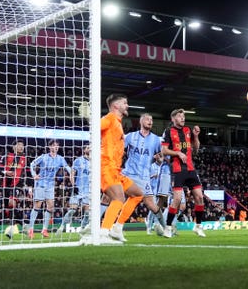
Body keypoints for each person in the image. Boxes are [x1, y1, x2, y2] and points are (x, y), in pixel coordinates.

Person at [99, 93, 144, 244]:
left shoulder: (118, 122)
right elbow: (97, 127)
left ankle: (117, 228)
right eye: (125, 103)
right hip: (107, 167)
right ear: (116, 106)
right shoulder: (110, 118)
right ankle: (104, 233)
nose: (127, 105)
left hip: (117, 170)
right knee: (118, 198)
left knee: (137, 194)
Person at [116, 113, 167, 238]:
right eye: (147, 119)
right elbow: (119, 150)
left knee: (152, 205)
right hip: (128, 173)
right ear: (141, 121)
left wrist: (159, 160)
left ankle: (165, 228)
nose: (150, 121)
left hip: (144, 177)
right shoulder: (130, 137)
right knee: (111, 196)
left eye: (152, 119)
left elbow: (159, 159)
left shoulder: (156, 140)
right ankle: (101, 226)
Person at [161, 108, 206, 238]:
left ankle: (198, 226)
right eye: (180, 116)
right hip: (178, 169)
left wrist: (196, 136)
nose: (183, 118)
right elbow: (164, 151)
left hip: (191, 169)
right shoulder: (169, 131)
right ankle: (168, 228)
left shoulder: (187, 130)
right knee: (177, 199)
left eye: (183, 116)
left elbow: (196, 148)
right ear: (173, 119)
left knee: (199, 197)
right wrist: (178, 153)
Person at [27, 139, 73, 239]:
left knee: (51, 206)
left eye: (57, 146)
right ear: (50, 147)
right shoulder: (43, 157)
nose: (56, 147)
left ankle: (44, 229)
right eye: (54, 145)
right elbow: (32, 164)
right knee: (38, 205)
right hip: (40, 184)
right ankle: (30, 229)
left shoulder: (60, 159)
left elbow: (67, 167)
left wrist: (72, 174)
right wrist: (34, 174)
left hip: (50, 185)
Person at [56, 144, 91, 235]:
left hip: (89, 190)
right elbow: (72, 173)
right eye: (88, 147)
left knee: (87, 213)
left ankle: (82, 230)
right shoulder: (78, 161)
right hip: (78, 189)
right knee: (72, 210)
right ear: (84, 150)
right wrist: (73, 185)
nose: (89, 149)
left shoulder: (95, 162)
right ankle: (61, 227)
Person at [0, 139, 27, 222]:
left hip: (16, 185)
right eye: (19, 145)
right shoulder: (6, 157)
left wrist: (27, 186)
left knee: (12, 203)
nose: (21, 147)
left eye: (22, 145)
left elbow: (25, 173)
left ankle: (23, 224)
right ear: (14, 147)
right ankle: (18, 224)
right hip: (5, 185)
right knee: (8, 207)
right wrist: (6, 172)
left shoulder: (24, 159)